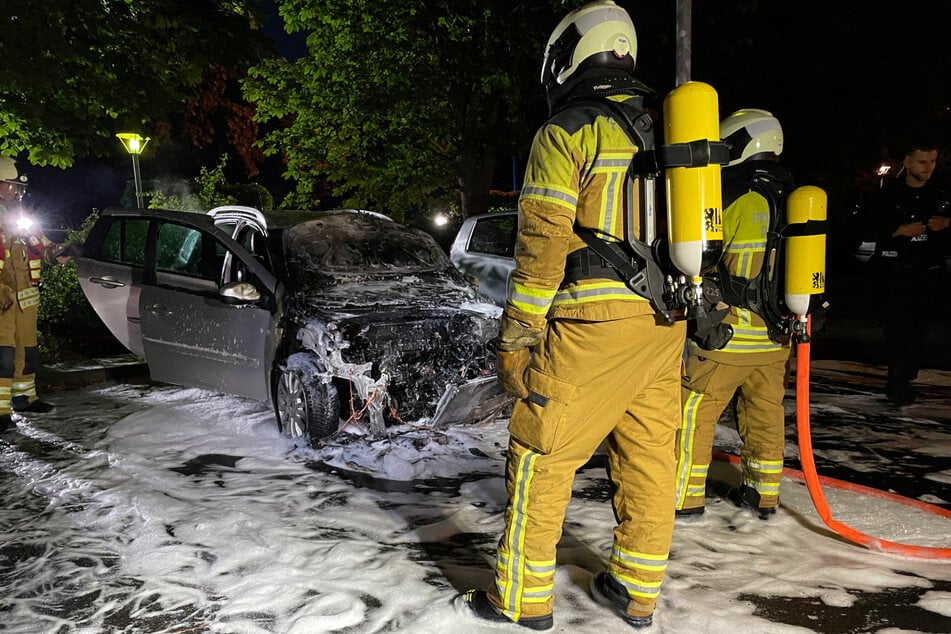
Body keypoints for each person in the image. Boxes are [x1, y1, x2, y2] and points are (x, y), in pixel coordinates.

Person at [458, 1, 686, 629]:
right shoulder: (672, 128)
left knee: (542, 454)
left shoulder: (569, 131)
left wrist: (517, 335)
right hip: (667, 323)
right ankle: (637, 593)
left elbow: (541, 244)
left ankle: (521, 600)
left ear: (567, 59)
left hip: (594, 324)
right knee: (648, 456)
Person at [674, 109, 794, 520]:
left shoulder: (734, 194)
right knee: (765, 415)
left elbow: (700, 260)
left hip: (726, 337)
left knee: (694, 415)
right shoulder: (795, 196)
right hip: (777, 338)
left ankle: (685, 499)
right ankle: (763, 494)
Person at [869, 139, 950, 406]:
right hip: (897, 274)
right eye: (922, 162)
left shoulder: (941, 193)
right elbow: (868, 230)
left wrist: (947, 224)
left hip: (930, 274)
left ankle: (907, 374)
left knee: (919, 329)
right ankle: (898, 382)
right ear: (907, 161)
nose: (928, 168)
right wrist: (898, 232)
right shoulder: (888, 194)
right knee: (899, 329)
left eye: (933, 162)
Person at [0, 156, 67, 433]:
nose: (17, 192)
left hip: (26, 300)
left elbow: (43, 247)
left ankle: (24, 398)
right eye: (13, 186)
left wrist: (60, 252)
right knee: (2, 355)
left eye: (19, 188)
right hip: (2, 301)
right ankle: (1, 411)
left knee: (27, 351)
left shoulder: (21, 218)